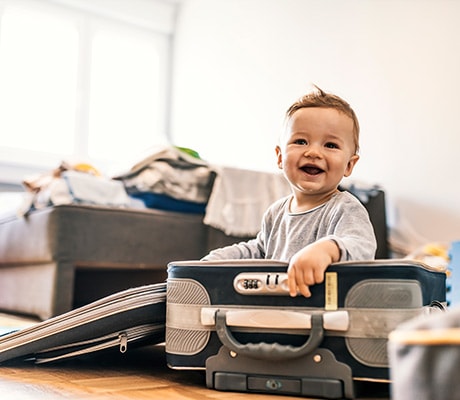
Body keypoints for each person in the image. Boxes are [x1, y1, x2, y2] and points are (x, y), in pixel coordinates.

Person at [202, 85, 377, 297]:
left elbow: (361, 247)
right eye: (300, 141)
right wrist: (216, 260)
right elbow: (258, 250)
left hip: (325, 313)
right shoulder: (276, 212)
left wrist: (327, 249)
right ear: (279, 157)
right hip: (280, 307)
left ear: (349, 165)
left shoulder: (345, 208)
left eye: (330, 145)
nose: (313, 152)